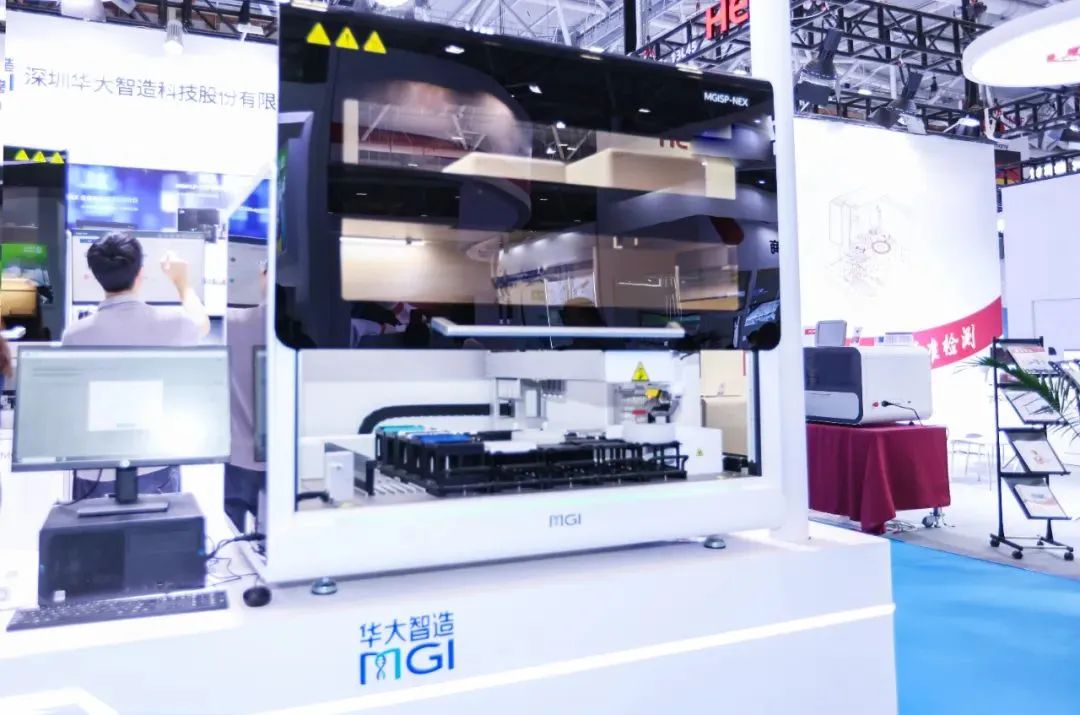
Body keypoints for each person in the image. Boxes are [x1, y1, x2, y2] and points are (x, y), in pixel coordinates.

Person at [62, 232, 211, 499]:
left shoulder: (75, 335)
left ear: (96, 275)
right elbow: (202, 323)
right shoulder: (172, 325)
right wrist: (181, 281)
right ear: (140, 273)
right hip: (155, 465)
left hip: (94, 471)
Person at [224, 261, 267, 531]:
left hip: (238, 455)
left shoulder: (233, 322)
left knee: (232, 540)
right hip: (288, 459)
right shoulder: (307, 335)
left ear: (264, 276)